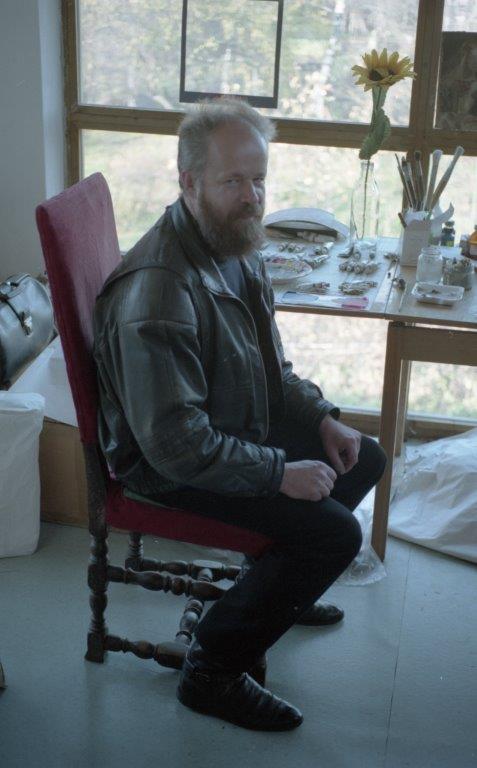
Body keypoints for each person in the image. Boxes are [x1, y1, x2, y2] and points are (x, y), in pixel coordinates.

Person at [93, 97, 386, 732]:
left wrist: (323, 418)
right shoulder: (159, 289)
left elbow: (271, 371)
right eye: (232, 181)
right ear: (189, 182)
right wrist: (279, 472)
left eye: (259, 179)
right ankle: (212, 670)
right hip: (167, 465)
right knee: (334, 535)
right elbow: (176, 445)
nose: (252, 197)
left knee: (364, 454)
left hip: (222, 424)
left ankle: (269, 585)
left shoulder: (237, 244)